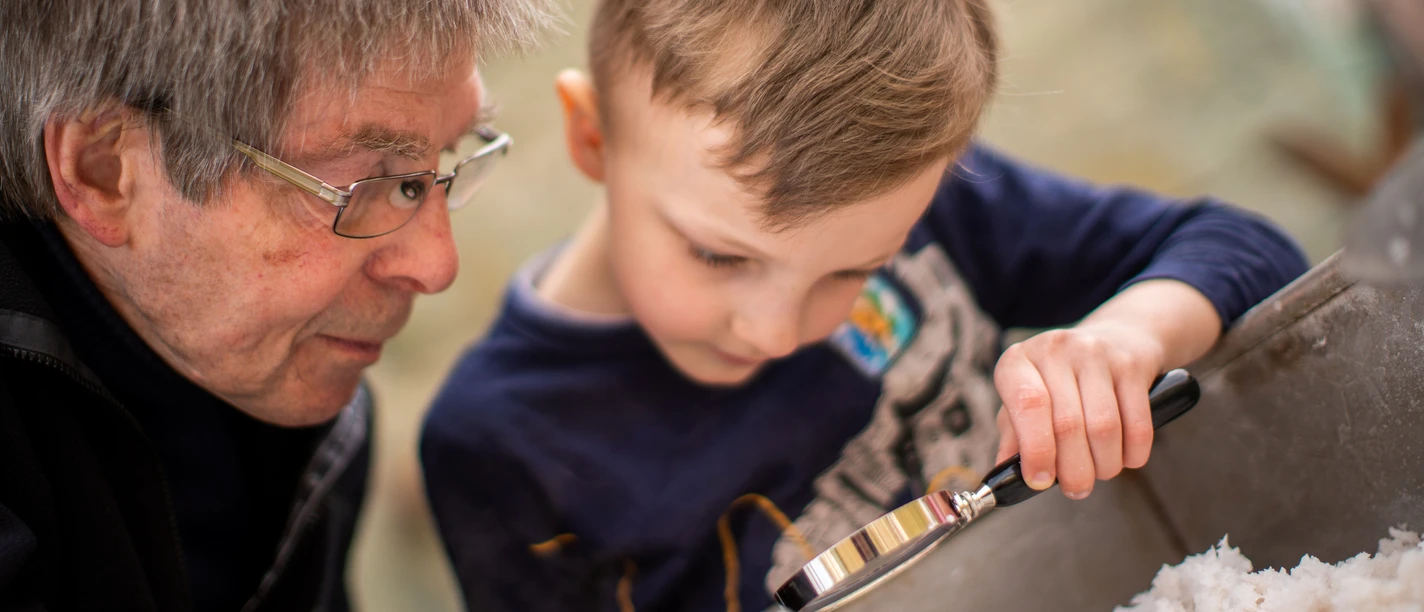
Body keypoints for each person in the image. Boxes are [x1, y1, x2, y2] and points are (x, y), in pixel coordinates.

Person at [419, 0, 1311, 610]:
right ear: (591, 136)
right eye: (719, 255)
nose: (775, 331)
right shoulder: (501, 445)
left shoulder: (941, 207)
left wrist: (1124, 337)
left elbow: (1251, 249)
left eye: (857, 271)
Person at [0, 1, 551, 610]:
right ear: (103, 170)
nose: (436, 266)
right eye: (364, 186)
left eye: (442, 161)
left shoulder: (299, 387)